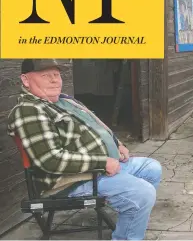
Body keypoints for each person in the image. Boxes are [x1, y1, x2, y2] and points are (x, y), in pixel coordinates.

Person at [7, 59, 162, 240]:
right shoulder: (29, 110)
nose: (54, 80)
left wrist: (117, 143)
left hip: (100, 169)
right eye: (45, 76)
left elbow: (95, 124)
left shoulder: (64, 101)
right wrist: (102, 162)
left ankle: (132, 219)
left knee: (152, 168)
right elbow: (51, 159)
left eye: (56, 75)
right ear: (26, 80)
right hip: (73, 180)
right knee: (142, 194)